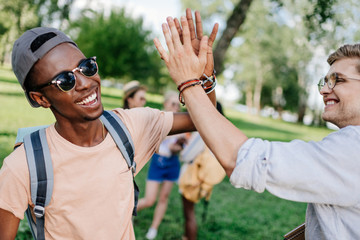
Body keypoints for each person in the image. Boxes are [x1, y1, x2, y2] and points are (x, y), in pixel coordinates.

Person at [0, 13, 218, 239]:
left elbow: (202, 118)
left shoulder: (129, 127)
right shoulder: (23, 166)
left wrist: (202, 77)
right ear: (40, 99)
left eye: (86, 67)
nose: (86, 83)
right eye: (65, 80)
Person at [154, 9, 360, 239]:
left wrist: (188, 82)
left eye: (337, 80)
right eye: (325, 81)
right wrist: (205, 82)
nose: (323, 90)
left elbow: (243, 159)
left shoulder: (353, 149)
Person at [137, 91, 186, 240]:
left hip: (173, 164)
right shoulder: (158, 119)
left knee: (164, 198)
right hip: (158, 162)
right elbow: (152, 141)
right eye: (173, 104)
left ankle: (154, 228)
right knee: (150, 199)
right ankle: (126, 213)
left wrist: (178, 148)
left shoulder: (182, 122)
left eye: (178, 105)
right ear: (165, 104)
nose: (176, 108)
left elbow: (182, 145)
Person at [179, 102, 226, 240]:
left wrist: (183, 145)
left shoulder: (203, 130)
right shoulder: (220, 131)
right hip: (203, 178)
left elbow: (186, 155)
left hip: (191, 178)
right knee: (190, 213)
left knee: (189, 215)